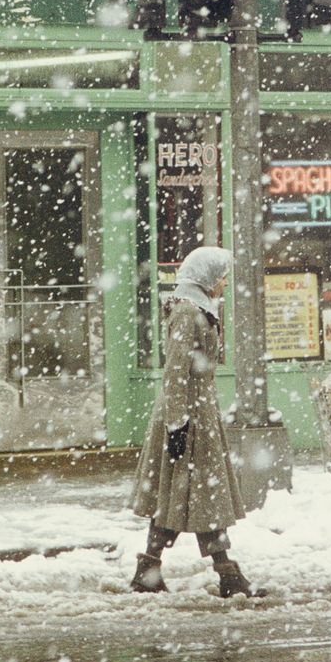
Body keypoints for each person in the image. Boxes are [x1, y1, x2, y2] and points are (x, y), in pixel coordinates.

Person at [129, 246, 263, 598]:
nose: (224, 284)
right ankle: (224, 574)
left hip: (198, 414)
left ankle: (153, 570)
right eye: (221, 277)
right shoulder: (188, 313)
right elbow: (175, 372)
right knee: (198, 495)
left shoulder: (198, 308)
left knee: (189, 495)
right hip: (188, 417)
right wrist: (177, 425)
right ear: (205, 277)